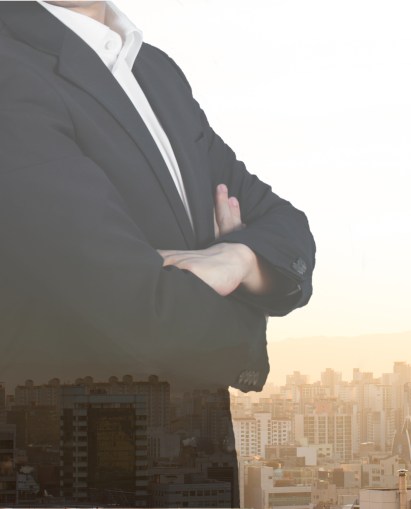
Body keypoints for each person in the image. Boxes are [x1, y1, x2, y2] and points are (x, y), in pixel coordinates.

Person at [0, 1, 315, 506]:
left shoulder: (155, 72)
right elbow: (132, 313)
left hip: (199, 481)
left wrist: (236, 260)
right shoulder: (9, 66)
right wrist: (250, 322)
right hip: (74, 482)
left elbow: (286, 224)